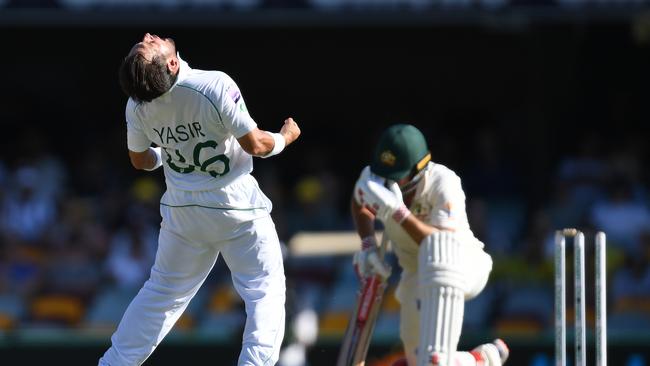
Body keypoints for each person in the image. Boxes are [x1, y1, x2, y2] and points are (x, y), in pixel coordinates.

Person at [99, 33, 301, 366]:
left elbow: (140, 161)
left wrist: (171, 151)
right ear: (172, 62)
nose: (147, 36)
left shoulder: (136, 104)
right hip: (235, 206)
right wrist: (286, 137)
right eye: (147, 46)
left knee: (161, 295)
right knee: (265, 291)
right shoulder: (214, 85)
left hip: (183, 213)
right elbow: (256, 146)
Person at [351, 124, 508, 366]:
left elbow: (439, 243)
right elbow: (359, 200)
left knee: (433, 360)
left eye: (397, 174)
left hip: (460, 265)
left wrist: (398, 213)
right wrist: (368, 246)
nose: (389, 181)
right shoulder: (376, 177)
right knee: (419, 362)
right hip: (416, 274)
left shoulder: (443, 182)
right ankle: (482, 359)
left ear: (419, 167)